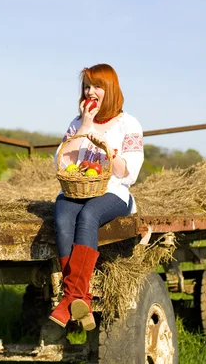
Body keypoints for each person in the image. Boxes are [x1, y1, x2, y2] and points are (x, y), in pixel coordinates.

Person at [49, 63, 144, 331]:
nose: (90, 91)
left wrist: (105, 143)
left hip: (114, 191)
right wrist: (86, 125)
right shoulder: (77, 122)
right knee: (63, 216)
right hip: (77, 187)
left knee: (89, 215)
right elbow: (63, 160)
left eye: (97, 86)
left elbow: (128, 174)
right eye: (87, 86)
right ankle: (80, 298)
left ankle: (68, 299)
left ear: (110, 89)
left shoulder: (129, 124)